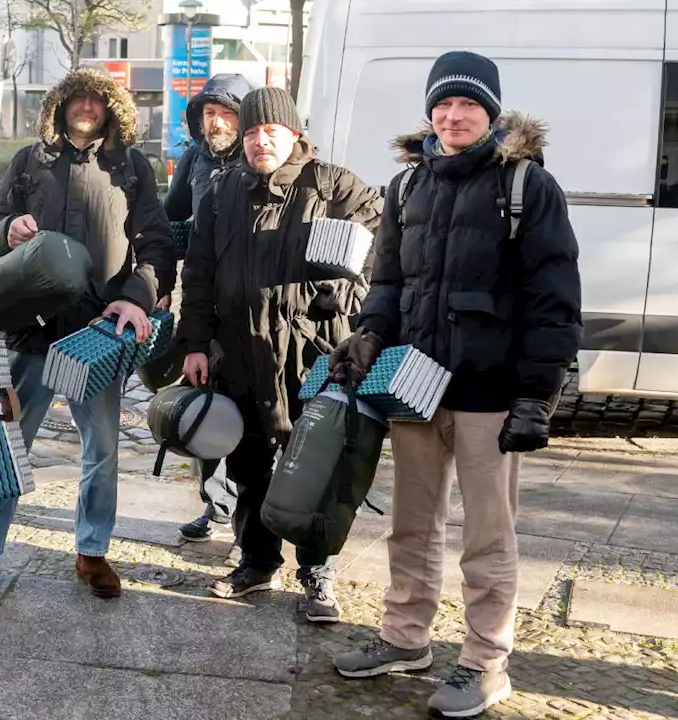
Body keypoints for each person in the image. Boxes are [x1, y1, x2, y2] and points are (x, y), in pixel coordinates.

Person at [328, 51, 582, 718]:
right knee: (411, 526)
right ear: (429, 112)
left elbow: (553, 300)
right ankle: (405, 637)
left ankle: (485, 663)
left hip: (488, 395)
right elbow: (386, 283)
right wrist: (368, 335)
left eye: (468, 104)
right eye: (443, 104)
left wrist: (537, 395)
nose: (453, 115)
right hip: (413, 386)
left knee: (488, 539)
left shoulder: (526, 186)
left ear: (491, 112)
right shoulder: (409, 187)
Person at [0, 67, 175, 600]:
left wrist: (135, 296)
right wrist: (9, 231)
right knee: (7, 442)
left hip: (97, 330)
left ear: (112, 108)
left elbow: (159, 244)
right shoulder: (29, 161)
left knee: (102, 447)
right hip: (30, 326)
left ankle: (92, 550)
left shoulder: (132, 167)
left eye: (98, 100)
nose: (87, 107)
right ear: (60, 104)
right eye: (77, 98)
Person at [176, 87, 382, 620]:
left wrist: (348, 295)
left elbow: (385, 254)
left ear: (294, 133)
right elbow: (197, 274)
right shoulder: (221, 193)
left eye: (269, 130)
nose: (258, 141)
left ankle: (317, 573)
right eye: (249, 132)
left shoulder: (336, 186)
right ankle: (256, 562)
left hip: (315, 356)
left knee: (317, 465)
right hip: (238, 353)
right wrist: (195, 344)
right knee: (249, 465)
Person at [162, 73, 255, 553]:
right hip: (205, 301)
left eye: (226, 113)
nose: (217, 122)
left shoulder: (259, 156)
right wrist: (158, 280)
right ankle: (216, 504)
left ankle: (254, 517)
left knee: (255, 413)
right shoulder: (195, 159)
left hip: (254, 304)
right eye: (209, 113)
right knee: (207, 402)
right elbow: (172, 218)